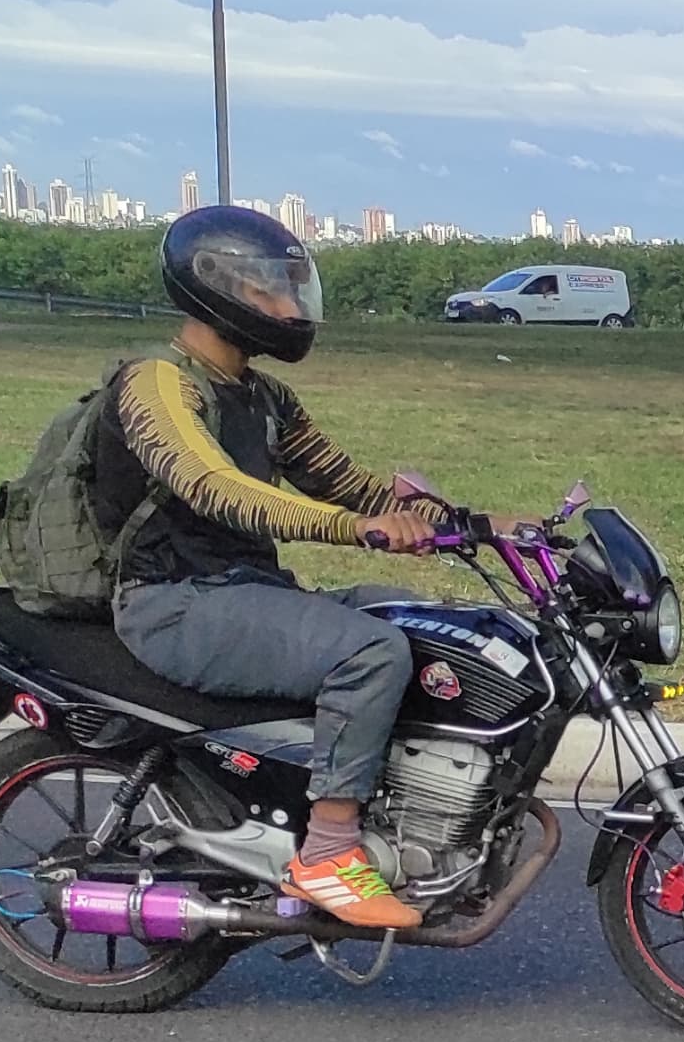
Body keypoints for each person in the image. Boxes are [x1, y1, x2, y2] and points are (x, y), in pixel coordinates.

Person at [97, 206, 464, 932]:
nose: (293, 307)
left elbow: (349, 485)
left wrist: (476, 525)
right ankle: (328, 853)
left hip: (243, 591)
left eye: (296, 288)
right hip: (173, 600)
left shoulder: (263, 396)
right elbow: (214, 487)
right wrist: (355, 529)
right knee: (370, 651)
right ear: (217, 285)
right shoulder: (158, 383)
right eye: (275, 289)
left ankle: (399, 819)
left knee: (419, 623)